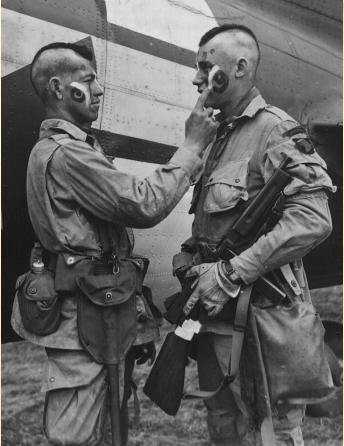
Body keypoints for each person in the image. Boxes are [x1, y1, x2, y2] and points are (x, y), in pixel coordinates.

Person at [11, 42, 218, 445]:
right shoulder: (68, 154)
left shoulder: (66, 149)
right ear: (57, 88)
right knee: (78, 434)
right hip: (86, 314)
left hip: (98, 310)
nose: (101, 90)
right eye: (88, 80)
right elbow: (143, 203)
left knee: (105, 424)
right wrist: (192, 146)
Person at [173, 24, 336, 446]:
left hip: (262, 318)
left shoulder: (275, 131)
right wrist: (191, 258)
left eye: (205, 67)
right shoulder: (218, 135)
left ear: (240, 67)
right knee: (222, 423)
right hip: (214, 318)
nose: (196, 78)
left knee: (270, 431)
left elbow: (312, 220)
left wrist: (229, 274)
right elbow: (213, 223)